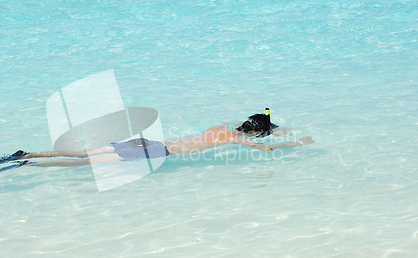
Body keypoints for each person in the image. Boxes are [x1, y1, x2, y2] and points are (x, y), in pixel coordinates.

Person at [17, 109, 314, 167]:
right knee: (86, 163)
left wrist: (266, 122)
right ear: (255, 132)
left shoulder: (217, 128)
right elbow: (268, 148)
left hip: (149, 143)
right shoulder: (235, 140)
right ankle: (29, 164)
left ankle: (30, 154)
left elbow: (245, 122)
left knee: (85, 154)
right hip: (156, 154)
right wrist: (295, 141)